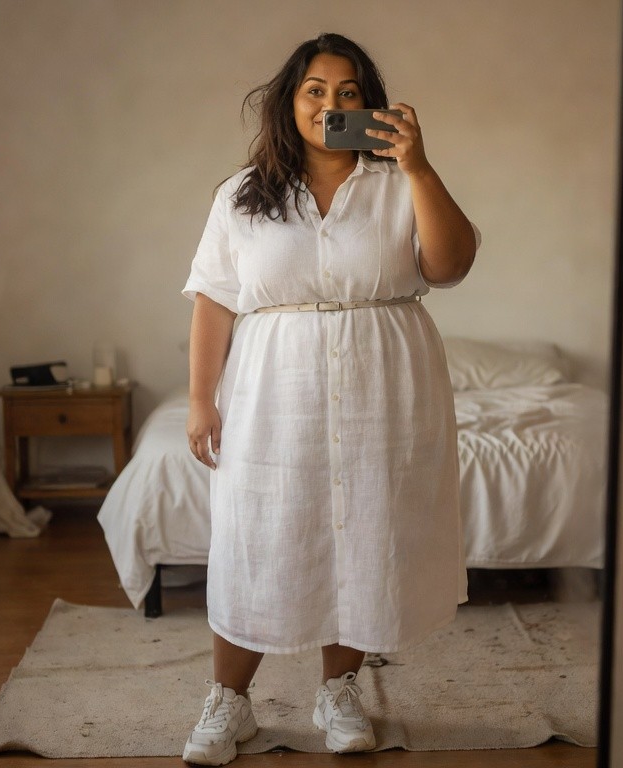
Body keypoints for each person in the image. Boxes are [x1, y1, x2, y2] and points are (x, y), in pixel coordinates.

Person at [179, 32, 478, 766]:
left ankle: (338, 690)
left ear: (371, 105)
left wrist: (419, 165)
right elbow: (214, 302)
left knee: (363, 529)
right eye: (316, 90)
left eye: (349, 93)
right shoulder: (242, 195)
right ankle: (229, 703)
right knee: (261, 532)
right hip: (275, 383)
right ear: (290, 101)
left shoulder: (398, 183)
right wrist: (199, 400)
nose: (331, 105)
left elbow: (450, 264)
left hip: (385, 378)